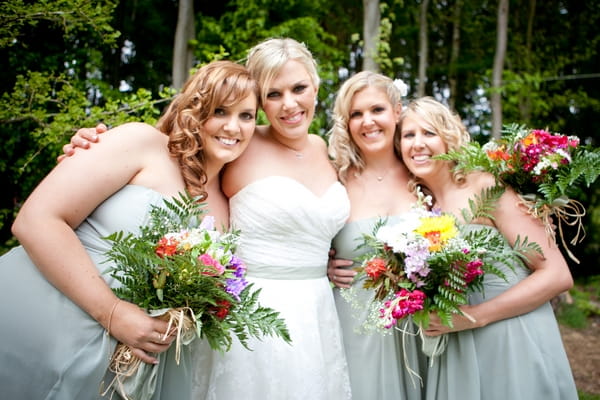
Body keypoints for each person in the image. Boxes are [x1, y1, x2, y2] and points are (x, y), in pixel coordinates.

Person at [59, 38, 352, 400]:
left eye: (299, 88)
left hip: (317, 311)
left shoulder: (327, 151)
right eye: (273, 94)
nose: (289, 103)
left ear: (316, 85)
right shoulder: (241, 146)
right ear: (259, 100)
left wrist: (329, 259)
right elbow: (176, 154)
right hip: (251, 316)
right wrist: (87, 149)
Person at [0, 60, 259, 400]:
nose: (233, 127)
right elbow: (36, 220)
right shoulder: (142, 143)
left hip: (120, 370)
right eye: (220, 111)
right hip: (42, 321)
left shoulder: (226, 205)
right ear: (195, 110)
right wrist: (113, 313)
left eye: (247, 116)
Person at [398, 96, 578, 400]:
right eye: (408, 135)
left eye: (429, 133)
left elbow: (557, 274)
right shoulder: (420, 209)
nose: (418, 143)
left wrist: (476, 315)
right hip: (457, 348)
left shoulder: (485, 186)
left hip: (512, 338)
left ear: (449, 137)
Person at [326, 71, 426, 400]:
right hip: (356, 326)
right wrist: (323, 267)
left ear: (397, 111)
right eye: (356, 114)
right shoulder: (334, 179)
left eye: (377, 110)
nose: (367, 122)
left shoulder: (425, 172)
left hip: (421, 323)